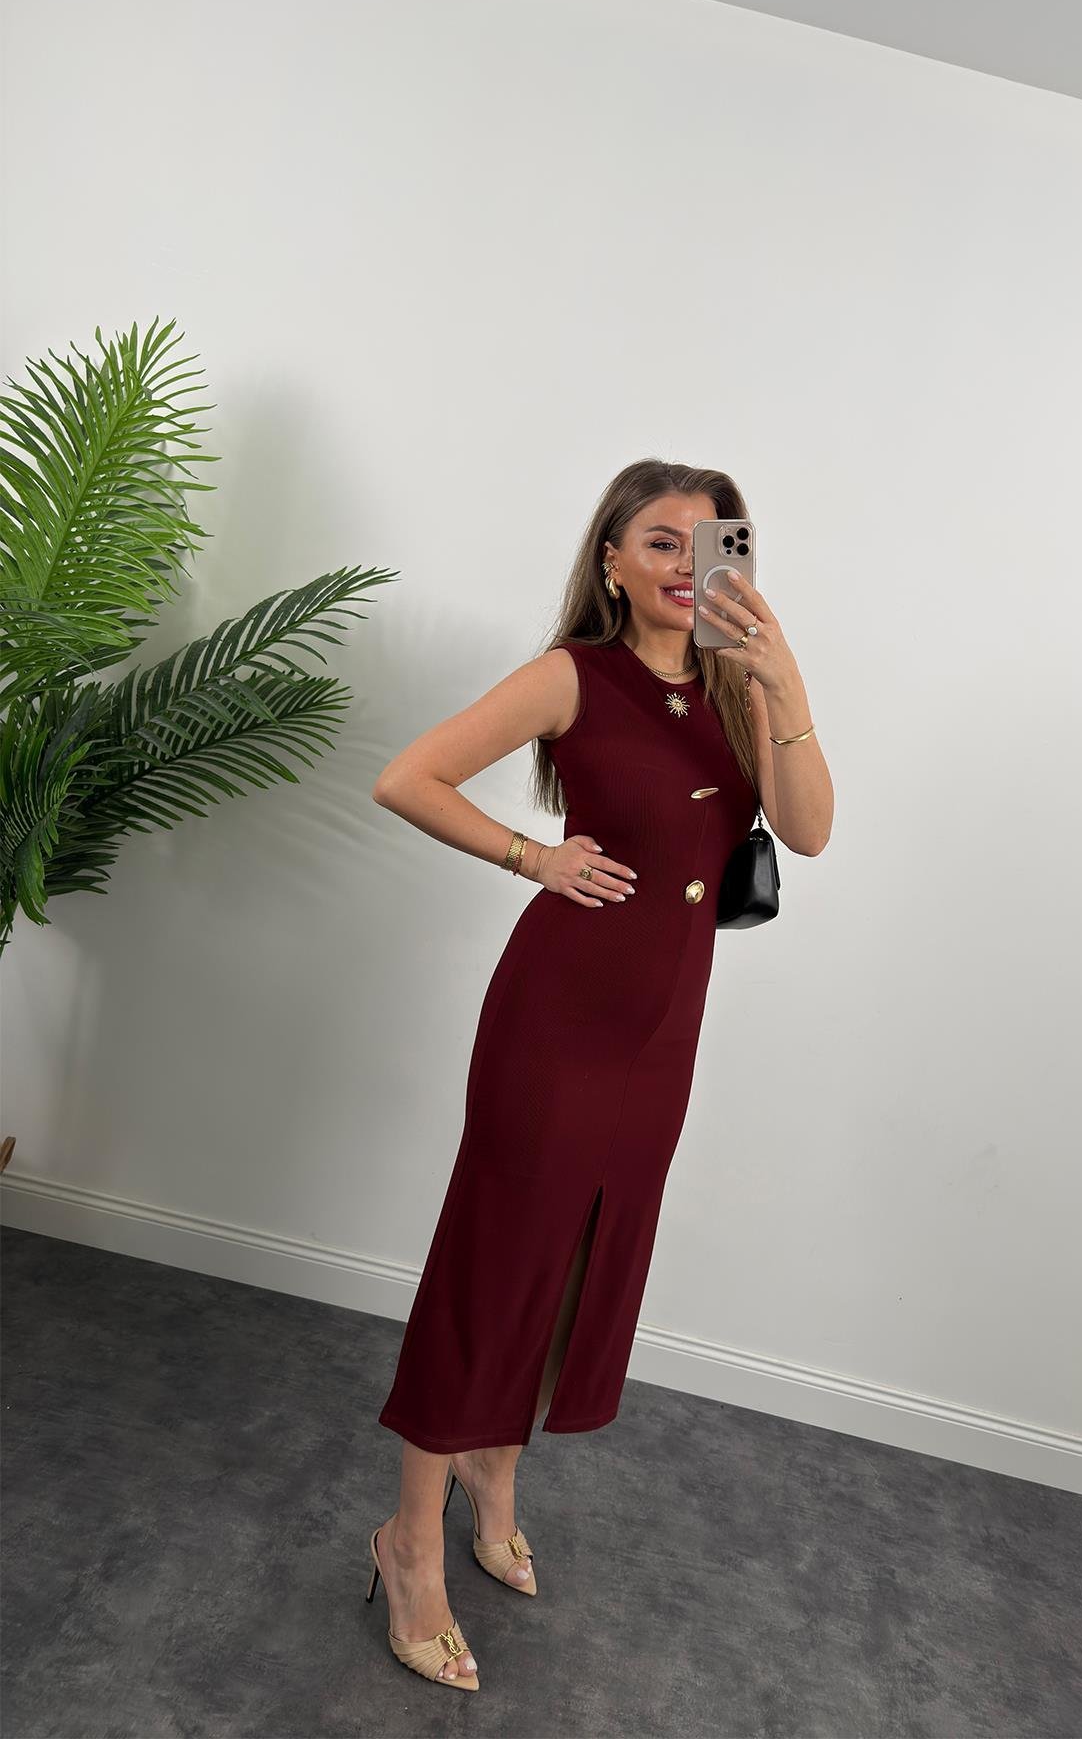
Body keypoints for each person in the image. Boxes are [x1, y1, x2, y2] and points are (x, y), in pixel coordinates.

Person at [364, 458, 833, 1689]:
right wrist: (534, 857)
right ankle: (409, 1542)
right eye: (661, 542)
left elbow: (810, 827)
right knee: (494, 1265)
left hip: (662, 1030)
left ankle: (494, 1472)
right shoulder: (574, 675)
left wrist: (781, 678)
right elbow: (406, 777)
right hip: (557, 1018)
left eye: (714, 543)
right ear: (613, 562)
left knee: (580, 1262)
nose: (688, 565)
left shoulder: (740, 687)